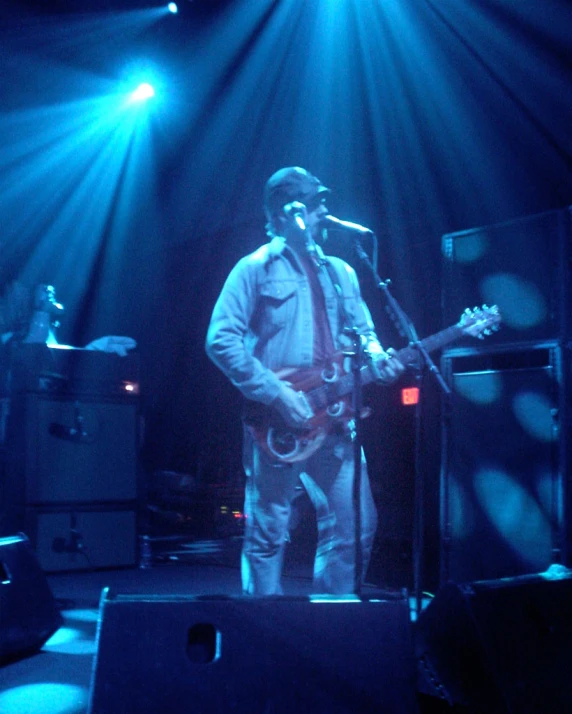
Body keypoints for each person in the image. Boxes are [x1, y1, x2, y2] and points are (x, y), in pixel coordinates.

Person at [205, 166, 404, 595]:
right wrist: (274, 392)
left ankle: (331, 625)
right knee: (268, 532)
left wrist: (378, 358)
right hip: (278, 422)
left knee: (357, 526)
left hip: (335, 420)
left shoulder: (342, 272)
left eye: (323, 202)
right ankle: (266, 633)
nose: (324, 211)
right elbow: (220, 339)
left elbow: (364, 335)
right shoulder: (254, 268)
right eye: (314, 204)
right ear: (284, 213)